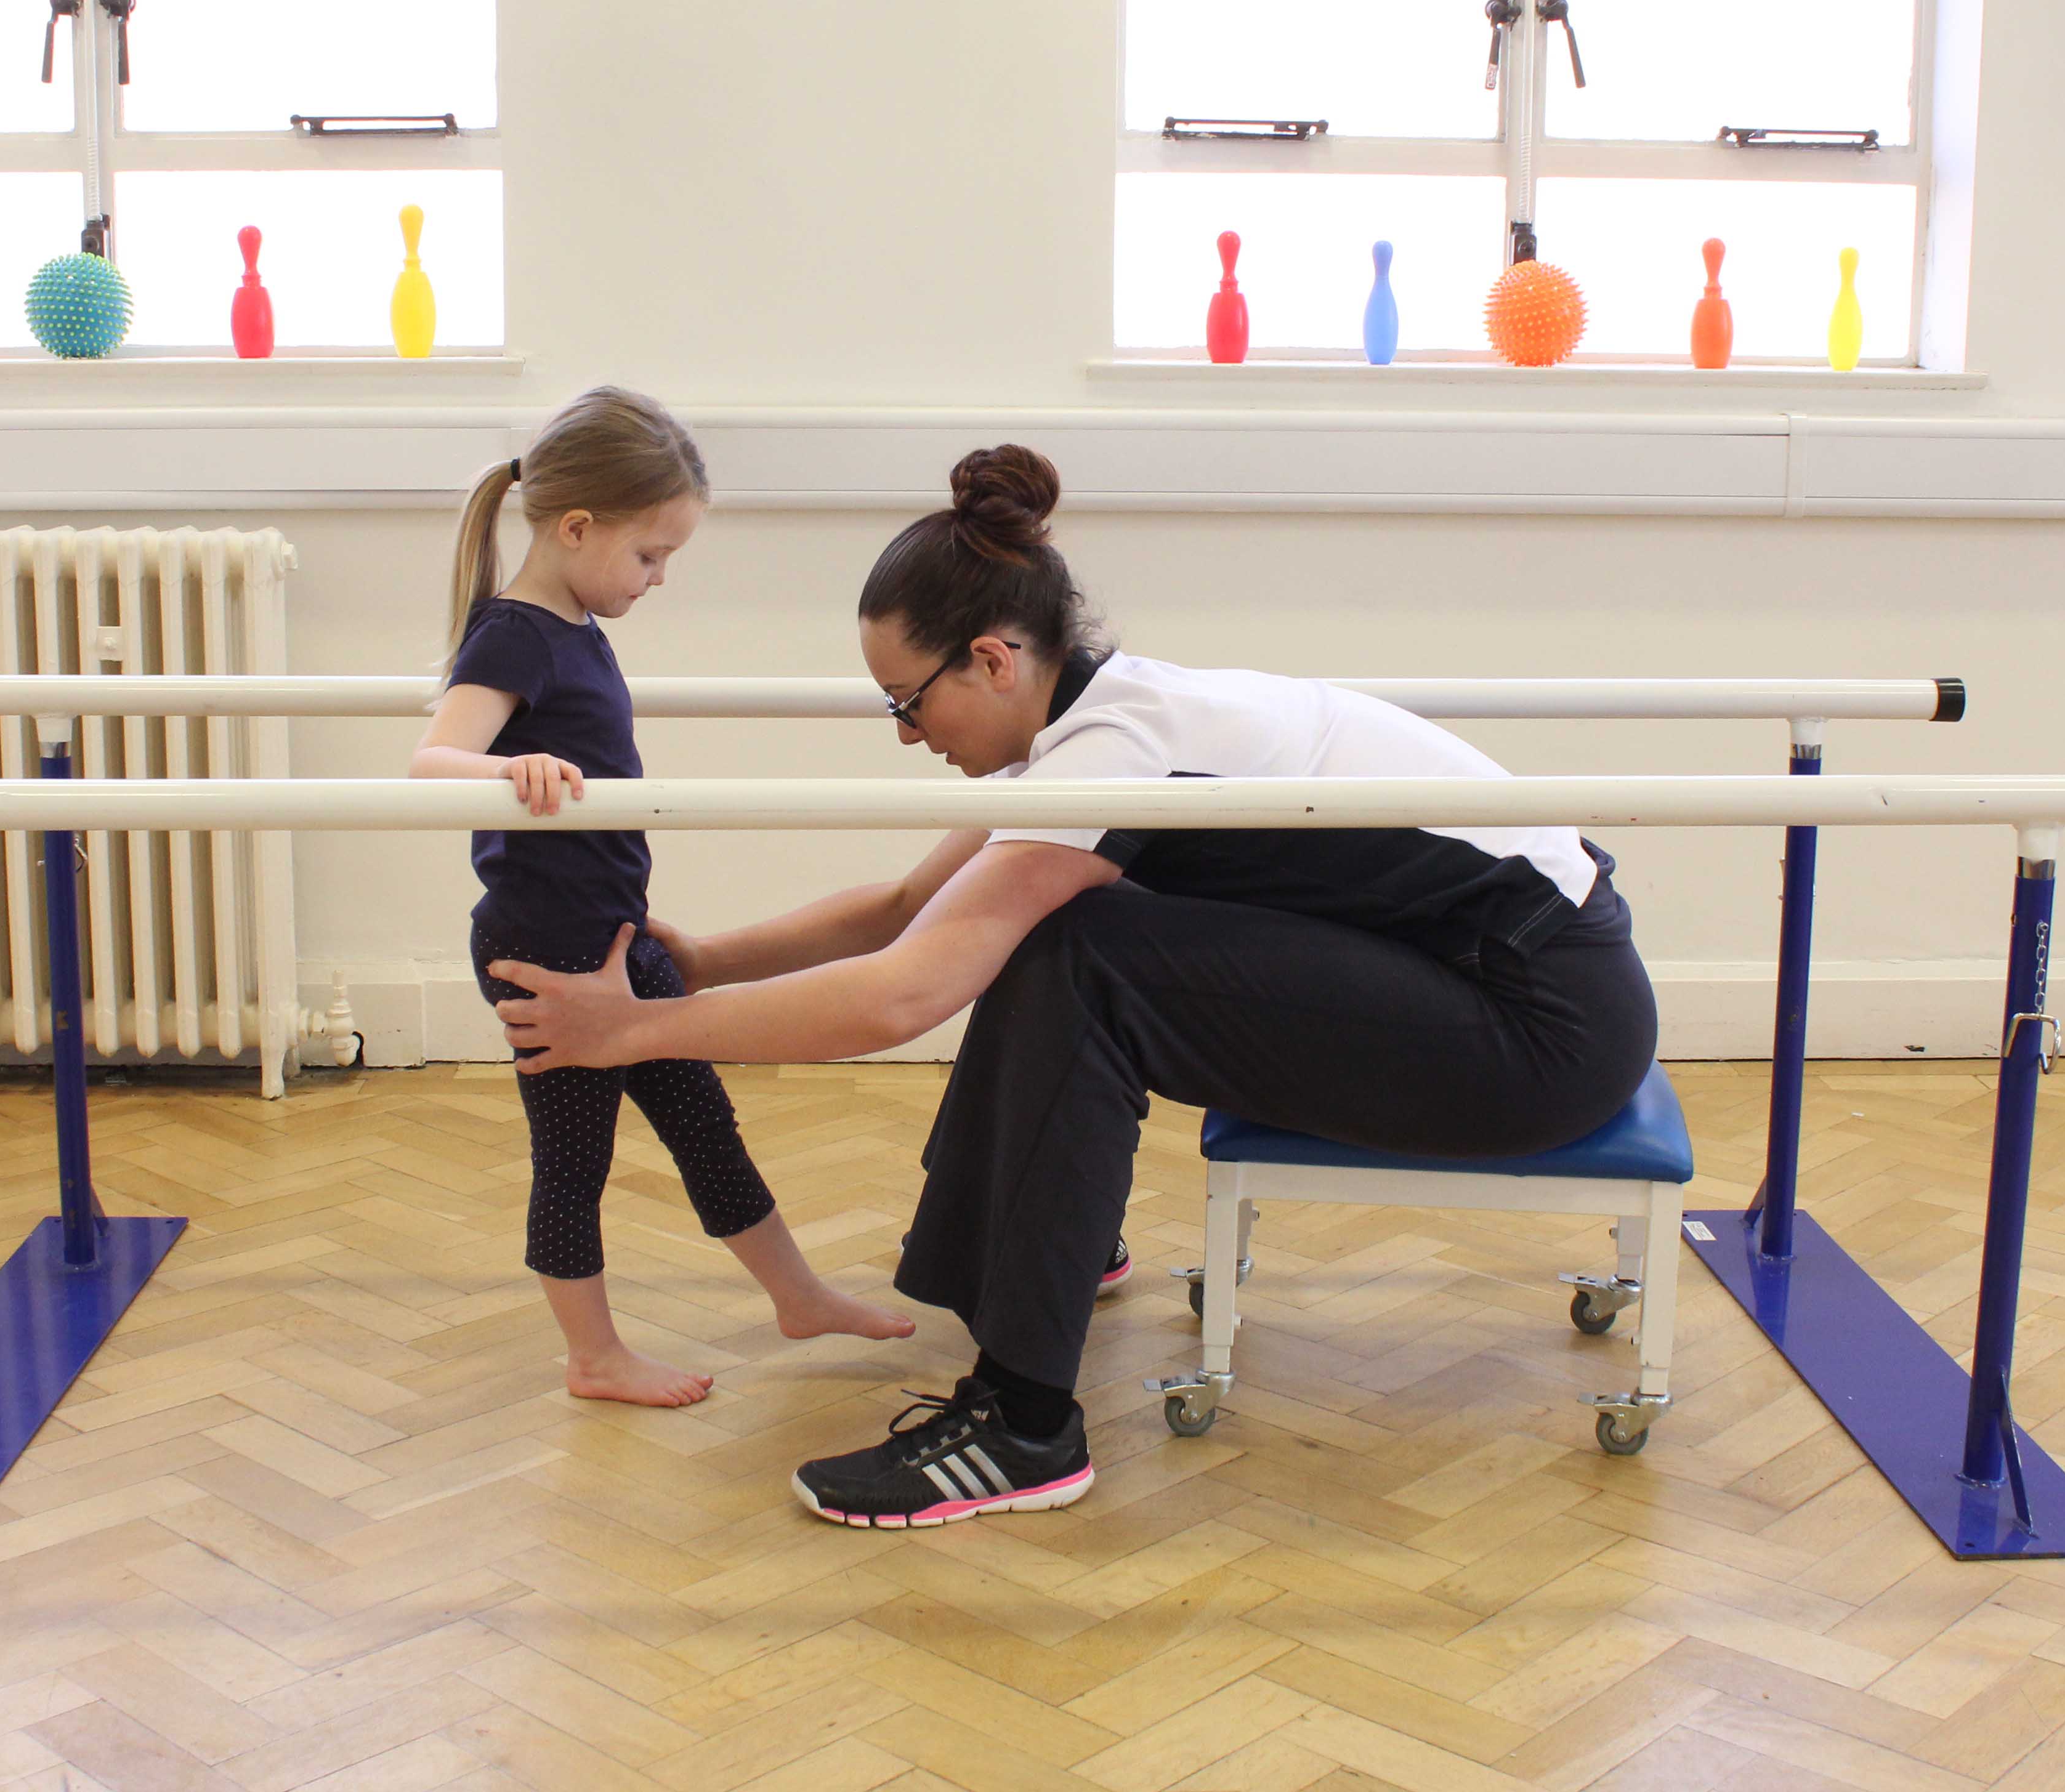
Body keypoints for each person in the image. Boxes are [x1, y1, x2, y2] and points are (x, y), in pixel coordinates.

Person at [490, 445, 1659, 1520]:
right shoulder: (1100, 720)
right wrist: (698, 962)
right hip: (1491, 981)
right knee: (1054, 929)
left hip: (1535, 1032)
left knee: (1078, 950)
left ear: (993, 660)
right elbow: (906, 912)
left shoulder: (1114, 749)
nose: (907, 735)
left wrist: (633, 1032)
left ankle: (1026, 1425)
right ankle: (1052, 1250)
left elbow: (903, 994)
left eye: (910, 703)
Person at [411, 386, 913, 1409]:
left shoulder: (572, 625)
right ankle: (593, 1357)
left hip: (613, 937)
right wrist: (515, 773)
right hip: (542, 955)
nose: (659, 579)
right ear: (577, 527)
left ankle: (799, 1295)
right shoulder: (511, 634)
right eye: (651, 557)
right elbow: (430, 763)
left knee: (706, 1124)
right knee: (575, 1158)